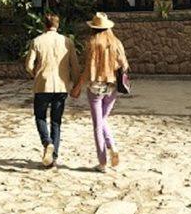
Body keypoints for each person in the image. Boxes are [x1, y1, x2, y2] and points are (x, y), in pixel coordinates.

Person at [71, 12, 129, 173]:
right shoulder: (116, 43)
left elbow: (88, 69)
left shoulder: (93, 43)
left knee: (98, 125)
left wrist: (78, 86)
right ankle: (113, 147)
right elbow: (124, 66)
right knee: (103, 120)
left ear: (94, 29)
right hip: (112, 87)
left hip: (95, 87)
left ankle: (102, 162)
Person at [25, 13, 81, 168]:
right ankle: (53, 158)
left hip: (42, 85)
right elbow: (75, 66)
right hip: (61, 86)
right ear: (58, 25)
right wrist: (77, 84)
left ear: (45, 25)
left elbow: (29, 65)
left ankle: (47, 142)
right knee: (56, 121)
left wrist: (34, 73)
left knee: (40, 117)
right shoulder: (67, 42)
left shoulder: (37, 41)